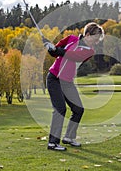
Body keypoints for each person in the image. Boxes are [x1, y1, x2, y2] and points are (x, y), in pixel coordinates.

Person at [44, 22, 104, 151]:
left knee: (78, 109)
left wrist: (57, 50)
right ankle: (52, 143)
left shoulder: (90, 51)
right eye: (95, 39)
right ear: (87, 35)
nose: (96, 42)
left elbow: (73, 56)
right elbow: (55, 52)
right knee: (60, 109)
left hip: (67, 82)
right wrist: (50, 48)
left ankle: (69, 137)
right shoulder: (70, 39)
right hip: (54, 78)